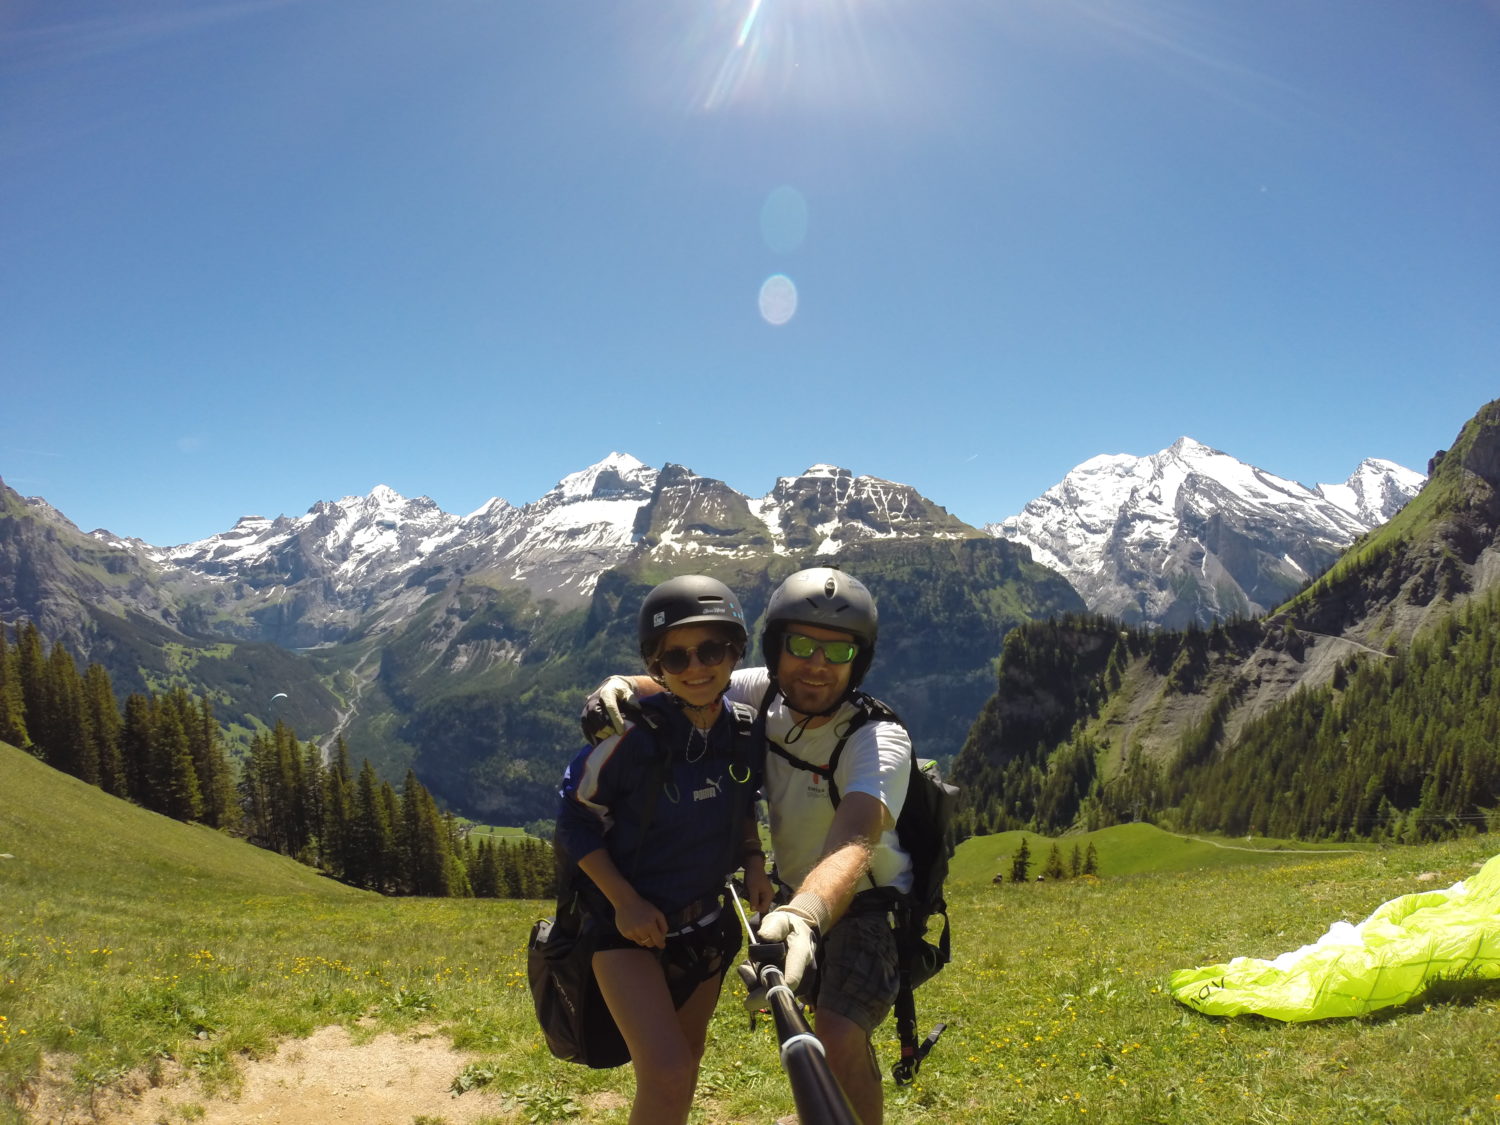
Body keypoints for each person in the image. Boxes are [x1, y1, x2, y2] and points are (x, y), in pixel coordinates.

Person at [586, 567, 912, 1125]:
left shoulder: (879, 738)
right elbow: (689, 676)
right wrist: (622, 685)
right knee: (821, 1026)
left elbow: (856, 835)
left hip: (864, 903)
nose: (816, 665)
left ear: (860, 661)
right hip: (790, 898)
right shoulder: (761, 693)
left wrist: (808, 913)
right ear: (774, 648)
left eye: (838, 652)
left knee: (834, 1035)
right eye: (801, 645)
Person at [555, 575, 772, 1125]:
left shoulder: (744, 730)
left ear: (736, 653)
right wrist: (624, 901)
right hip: (622, 931)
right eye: (676, 656)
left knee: (686, 1063)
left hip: (705, 927)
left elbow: (743, 801)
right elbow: (574, 820)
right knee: (671, 1071)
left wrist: (752, 859)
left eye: (712, 650)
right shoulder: (630, 739)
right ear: (654, 666)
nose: (696, 667)